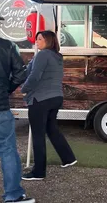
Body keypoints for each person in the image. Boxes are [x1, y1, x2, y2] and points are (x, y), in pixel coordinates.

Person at [0, 7, 35, 203]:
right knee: (7, 151)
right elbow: (21, 74)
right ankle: (13, 196)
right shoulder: (6, 46)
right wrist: (6, 89)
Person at [21, 31, 77, 181]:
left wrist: (24, 90)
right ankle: (68, 158)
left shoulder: (43, 55)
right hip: (55, 98)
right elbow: (33, 71)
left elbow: (34, 76)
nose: (36, 41)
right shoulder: (57, 56)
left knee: (38, 135)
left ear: (48, 41)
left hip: (40, 99)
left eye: (40, 39)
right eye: (36, 39)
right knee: (52, 129)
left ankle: (38, 172)